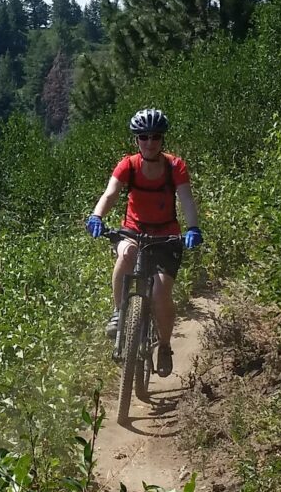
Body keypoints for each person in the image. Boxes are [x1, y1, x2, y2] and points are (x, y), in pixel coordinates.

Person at [86, 108, 202, 377]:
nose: (150, 142)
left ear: (163, 139)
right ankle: (118, 312)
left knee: (161, 293)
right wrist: (96, 216)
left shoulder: (175, 166)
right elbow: (110, 193)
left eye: (156, 137)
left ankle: (163, 345)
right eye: (144, 137)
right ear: (136, 140)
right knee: (126, 254)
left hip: (166, 236)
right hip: (133, 230)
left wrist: (193, 227)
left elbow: (186, 199)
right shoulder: (128, 165)